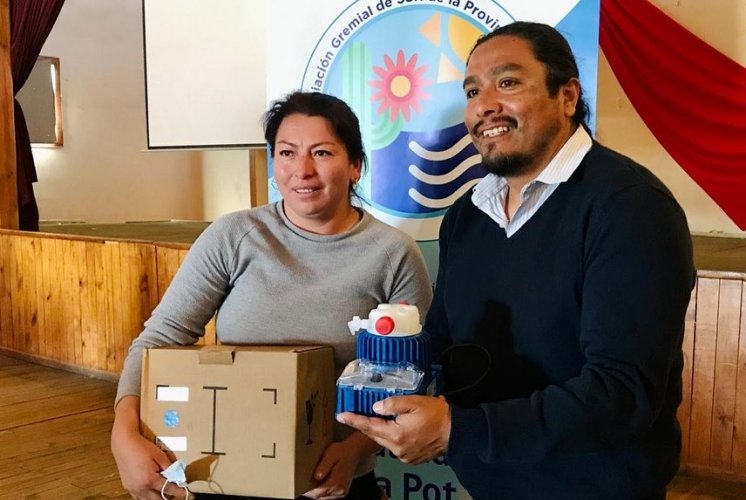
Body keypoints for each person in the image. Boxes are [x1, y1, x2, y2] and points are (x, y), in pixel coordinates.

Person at [338, 21, 695, 500]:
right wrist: (385, 375)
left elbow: (622, 393)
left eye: (507, 83)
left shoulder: (630, 207)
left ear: (567, 97)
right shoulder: (467, 215)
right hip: (488, 483)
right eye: (472, 90)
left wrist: (455, 430)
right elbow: (449, 345)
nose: (484, 105)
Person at [111, 91, 433, 500]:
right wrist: (123, 431)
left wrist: (354, 452)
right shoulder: (234, 236)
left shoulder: (393, 253)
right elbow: (160, 337)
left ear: (355, 166)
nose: (302, 170)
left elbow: (410, 379)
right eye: (286, 152)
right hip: (226, 474)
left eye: (321, 153)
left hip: (334, 480)